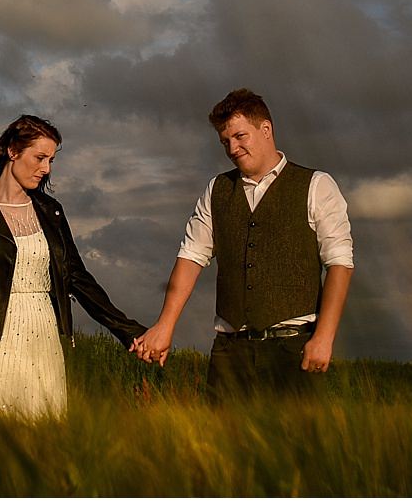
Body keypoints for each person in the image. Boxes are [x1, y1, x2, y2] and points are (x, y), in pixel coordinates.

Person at [130, 89, 354, 397]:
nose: (232, 148)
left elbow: (340, 264)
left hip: (293, 349)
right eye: (225, 141)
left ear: (265, 129)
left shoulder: (316, 185)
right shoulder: (218, 189)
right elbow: (191, 256)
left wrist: (324, 337)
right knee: (220, 443)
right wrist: (165, 325)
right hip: (228, 351)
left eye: (239, 136)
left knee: (293, 444)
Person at [0, 114, 146, 419]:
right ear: (12, 151)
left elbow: (78, 278)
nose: (46, 168)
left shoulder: (51, 212)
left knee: (42, 441)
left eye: (52, 160)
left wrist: (129, 332)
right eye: (40, 157)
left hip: (42, 337)